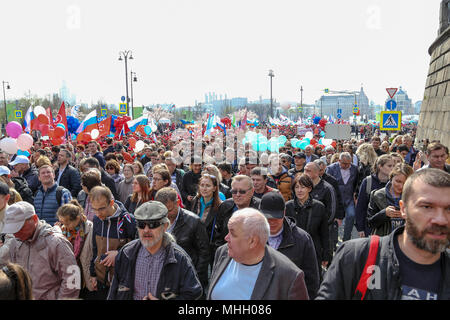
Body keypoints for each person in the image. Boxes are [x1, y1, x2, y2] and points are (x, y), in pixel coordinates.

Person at [316, 168, 450, 300]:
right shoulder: (356, 256)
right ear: (404, 209)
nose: (440, 219)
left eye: (448, 209)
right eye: (427, 207)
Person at [107, 201, 203, 300]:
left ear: (165, 226)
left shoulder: (178, 258)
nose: (146, 230)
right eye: (141, 225)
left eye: (153, 224)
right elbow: (113, 293)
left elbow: (193, 293)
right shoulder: (127, 253)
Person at [208, 208, 309, 300]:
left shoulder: (289, 276)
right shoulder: (223, 252)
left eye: (233, 234)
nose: (226, 238)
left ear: (252, 241)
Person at [1, 201, 79, 299]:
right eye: (12, 229)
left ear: (34, 219)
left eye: (19, 228)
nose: (16, 233)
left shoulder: (56, 243)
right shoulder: (15, 243)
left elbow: (72, 280)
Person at [260, 191, 320, 299]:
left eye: (276, 217)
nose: (272, 222)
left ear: (284, 212)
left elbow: (311, 280)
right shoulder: (251, 236)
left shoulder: (302, 239)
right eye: (268, 217)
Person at [155, 187, 210, 290]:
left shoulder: (194, 222)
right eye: (162, 211)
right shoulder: (154, 220)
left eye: (170, 210)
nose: (166, 214)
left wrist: (194, 279)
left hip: (186, 277)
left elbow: (204, 253)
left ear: (178, 202)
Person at [89, 186, 137, 300]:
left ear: (111, 202)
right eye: (94, 209)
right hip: (101, 280)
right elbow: (94, 249)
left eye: (101, 209)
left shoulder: (128, 220)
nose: (97, 213)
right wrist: (93, 274)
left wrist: (118, 254)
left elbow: (137, 248)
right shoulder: (96, 220)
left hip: (122, 282)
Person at [286, 174, 330, 273]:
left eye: (303, 187)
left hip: (314, 250)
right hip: (293, 252)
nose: (299, 190)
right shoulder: (288, 207)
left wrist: (326, 254)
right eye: (296, 187)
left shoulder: (319, 207)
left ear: (309, 189)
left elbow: (324, 233)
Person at [56, 200, 95, 299]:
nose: (65, 226)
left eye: (67, 223)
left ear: (77, 219)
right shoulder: (62, 230)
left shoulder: (89, 229)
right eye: (62, 223)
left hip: (85, 274)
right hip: (69, 273)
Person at [214, 175, 261, 250]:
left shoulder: (261, 208)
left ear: (252, 191)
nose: (238, 195)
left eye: (242, 192)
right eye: (234, 191)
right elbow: (218, 236)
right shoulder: (225, 206)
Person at [367, 163, 414, 236]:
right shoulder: (378, 195)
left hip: (405, 241)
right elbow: (370, 223)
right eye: (398, 181)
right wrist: (384, 213)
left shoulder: (413, 196)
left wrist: (407, 216)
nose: (401, 186)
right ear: (391, 178)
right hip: (383, 241)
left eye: (405, 183)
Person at [355, 154, 394, 237]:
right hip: (370, 228)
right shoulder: (368, 181)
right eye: (389, 166)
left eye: (394, 166)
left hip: (389, 229)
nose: (392, 168)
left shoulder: (394, 183)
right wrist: (360, 228)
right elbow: (361, 206)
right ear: (380, 166)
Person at [326, 152, 359, 242]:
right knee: (335, 221)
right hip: (336, 199)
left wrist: (355, 194)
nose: (347, 165)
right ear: (339, 161)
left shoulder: (354, 169)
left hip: (349, 199)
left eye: (349, 163)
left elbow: (355, 182)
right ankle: (334, 240)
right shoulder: (331, 169)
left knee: (351, 215)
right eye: (344, 163)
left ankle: (346, 238)